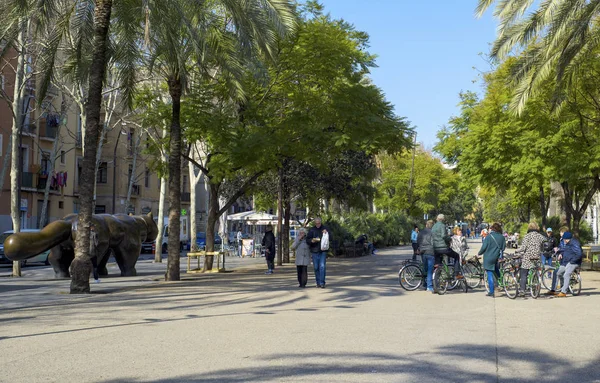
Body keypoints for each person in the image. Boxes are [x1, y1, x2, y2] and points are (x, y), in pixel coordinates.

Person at [517, 222, 546, 296]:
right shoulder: (540, 236)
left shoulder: (527, 236)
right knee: (535, 269)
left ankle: (522, 290)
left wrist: (517, 250)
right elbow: (545, 243)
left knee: (524, 273)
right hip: (537, 257)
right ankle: (535, 287)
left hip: (528, 257)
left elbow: (523, 248)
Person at [478, 222, 505, 297]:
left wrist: (479, 253)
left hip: (488, 257)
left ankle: (492, 291)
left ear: (492, 228)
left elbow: (484, 247)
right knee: (496, 269)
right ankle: (500, 281)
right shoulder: (502, 237)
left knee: (489, 273)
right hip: (496, 257)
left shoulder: (489, 237)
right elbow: (503, 248)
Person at [432, 214, 463, 279]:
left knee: (438, 264)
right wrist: (450, 239)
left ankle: (437, 279)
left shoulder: (434, 226)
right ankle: (456, 273)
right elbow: (443, 236)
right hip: (444, 248)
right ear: (443, 219)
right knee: (456, 256)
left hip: (435, 249)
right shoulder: (442, 226)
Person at [554, 231, 582, 298]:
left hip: (573, 262)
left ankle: (563, 292)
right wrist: (559, 253)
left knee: (566, 274)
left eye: (564, 239)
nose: (563, 240)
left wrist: (572, 261)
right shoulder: (568, 243)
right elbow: (565, 251)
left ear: (566, 239)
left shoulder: (574, 243)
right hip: (566, 262)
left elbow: (579, 254)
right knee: (558, 273)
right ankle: (563, 286)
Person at [307, 217, 331, 288]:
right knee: (316, 267)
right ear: (315, 223)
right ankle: (318, 282)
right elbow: (307, 240)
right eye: (316, 223)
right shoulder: (312, 230)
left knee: (322, 266)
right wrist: (312, 240)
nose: (318, 224)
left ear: (321, 222)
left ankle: (322, 282)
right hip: (314, 251)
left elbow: (331, 237)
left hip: (323, 251)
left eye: (319, 223)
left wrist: (326, 233)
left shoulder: (325, 228)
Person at [417, 220, 435, 293]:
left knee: (425, 268)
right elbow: (433, 242)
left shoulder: (421, 232)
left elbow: (418, 241)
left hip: (423, 251)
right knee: (430, 270)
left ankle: (425, 284)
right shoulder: (432, 232)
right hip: (430, 251)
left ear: (426, 225)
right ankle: (429, 286)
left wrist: (420, 248)